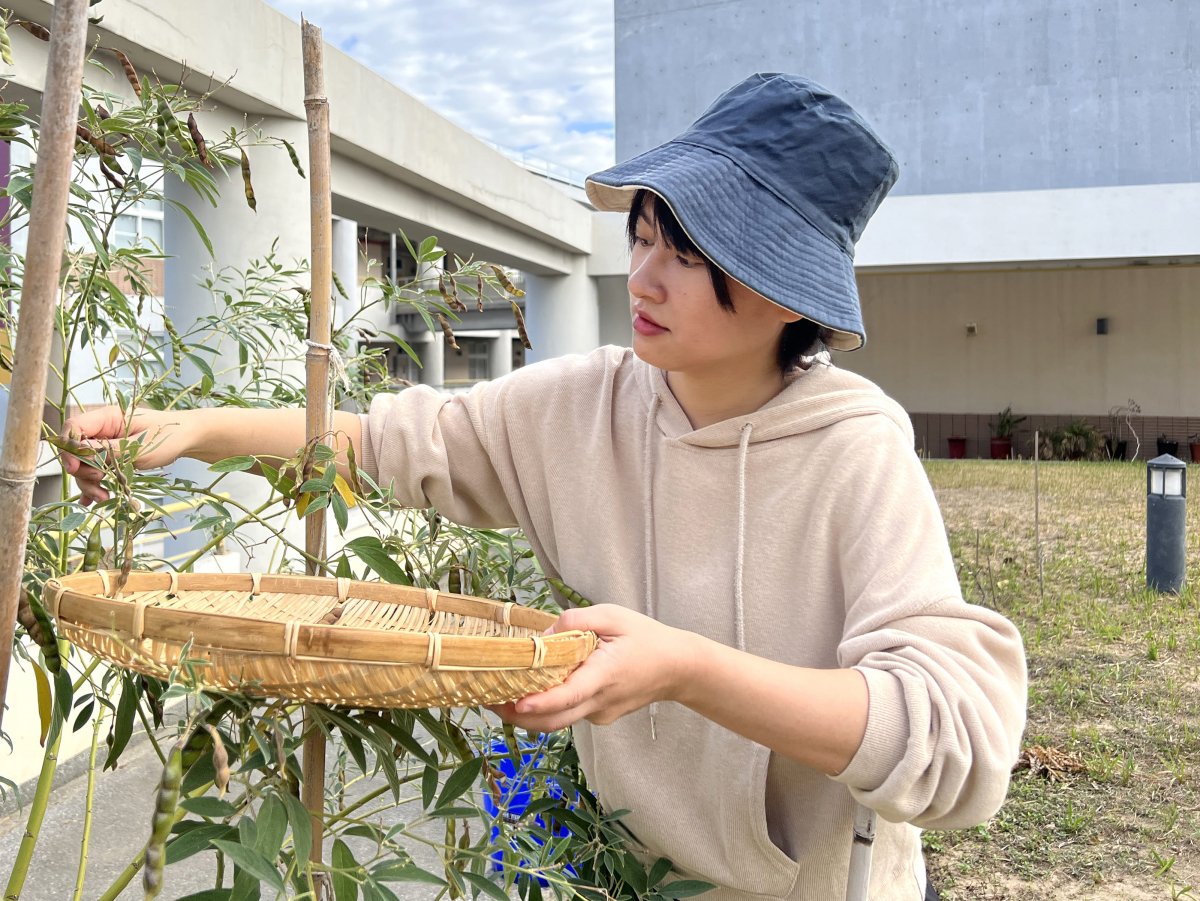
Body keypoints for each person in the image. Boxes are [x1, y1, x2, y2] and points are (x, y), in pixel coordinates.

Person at [63, 74, 1027, 900]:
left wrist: (685, 668)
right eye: (645, 237)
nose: (643, 277)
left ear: (782, 291)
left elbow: (954, 739)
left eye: (684, 255)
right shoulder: (587, 402)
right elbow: (385, 443)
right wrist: (199, 430)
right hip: (623, 869)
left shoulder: (854, 448)